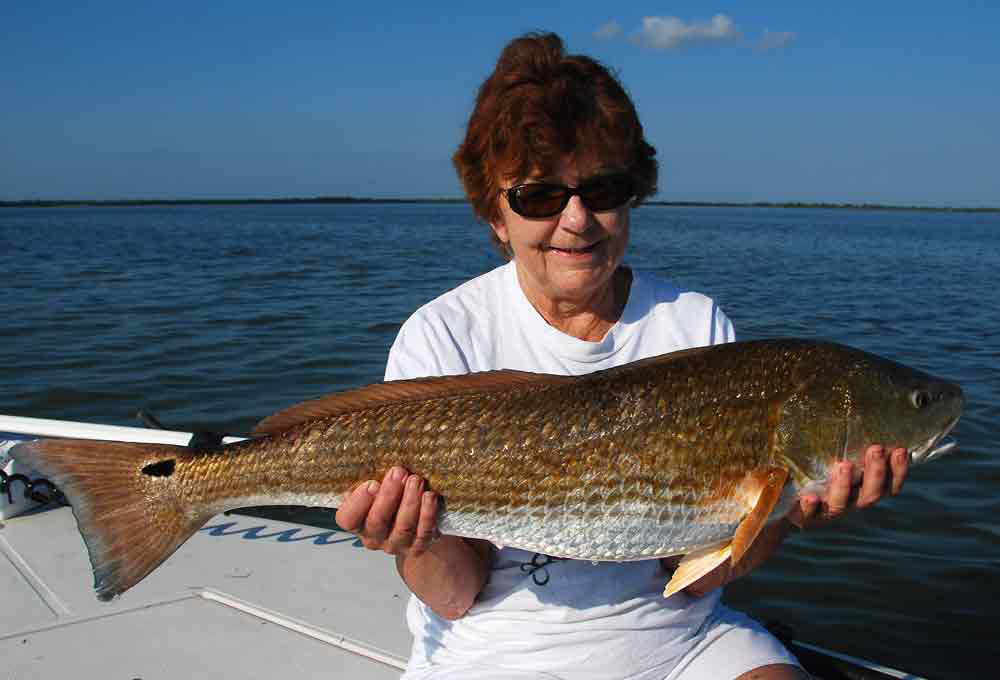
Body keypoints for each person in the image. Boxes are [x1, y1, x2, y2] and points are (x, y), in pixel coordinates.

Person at [336, 32, 910, 680]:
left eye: (603, 189)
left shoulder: (694, 324)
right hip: (490, 653)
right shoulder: (442, 335)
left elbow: (692, 582)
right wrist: (412, 537)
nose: (577, 219)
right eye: (540, 196)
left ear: (632, 194)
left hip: (679, 641)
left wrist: (784, 512)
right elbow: (455, 596)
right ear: (495, 215)